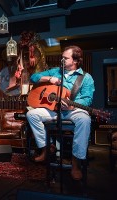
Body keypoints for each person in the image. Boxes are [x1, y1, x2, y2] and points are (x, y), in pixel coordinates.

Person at [26, 45, 95, 180]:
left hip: (72, 111)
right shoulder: (55, 72)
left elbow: (88, 100)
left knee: (85, 120)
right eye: (62, 57)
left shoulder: (86, 78)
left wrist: (71, 106)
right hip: (54, 110)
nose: (61, 60)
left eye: (65, 58)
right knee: (31, 114)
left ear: (75, 61)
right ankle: (47, 147)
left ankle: (76, 163)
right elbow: (33, 77)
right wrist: (49, 79)